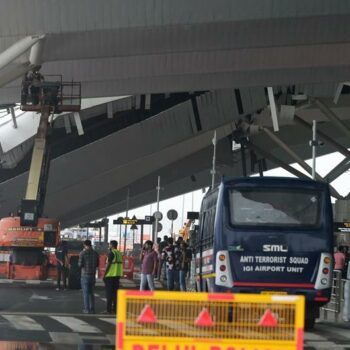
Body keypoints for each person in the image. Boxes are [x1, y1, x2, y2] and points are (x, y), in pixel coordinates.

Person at [78, 239, 99, 314]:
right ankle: (92, 309)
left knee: (85, 293)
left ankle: (86, 309)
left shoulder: (82, 253)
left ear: (84, 245)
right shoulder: (96, 253)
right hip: (93, 275)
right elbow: (97, 264)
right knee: (91, 293)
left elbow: (80, 265)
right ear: (90, 244)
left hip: (85, 275)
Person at [103, 240, 123, 314]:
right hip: (117, 276)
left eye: (109, 244)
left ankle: (108, 310)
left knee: (109, 294)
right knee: (115, 294)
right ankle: (115, 309)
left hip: (110, 275)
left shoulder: (111, 253)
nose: (109, 246)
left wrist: (104, 274)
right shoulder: (119, 253)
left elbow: (108, 265)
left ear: (112, 245)